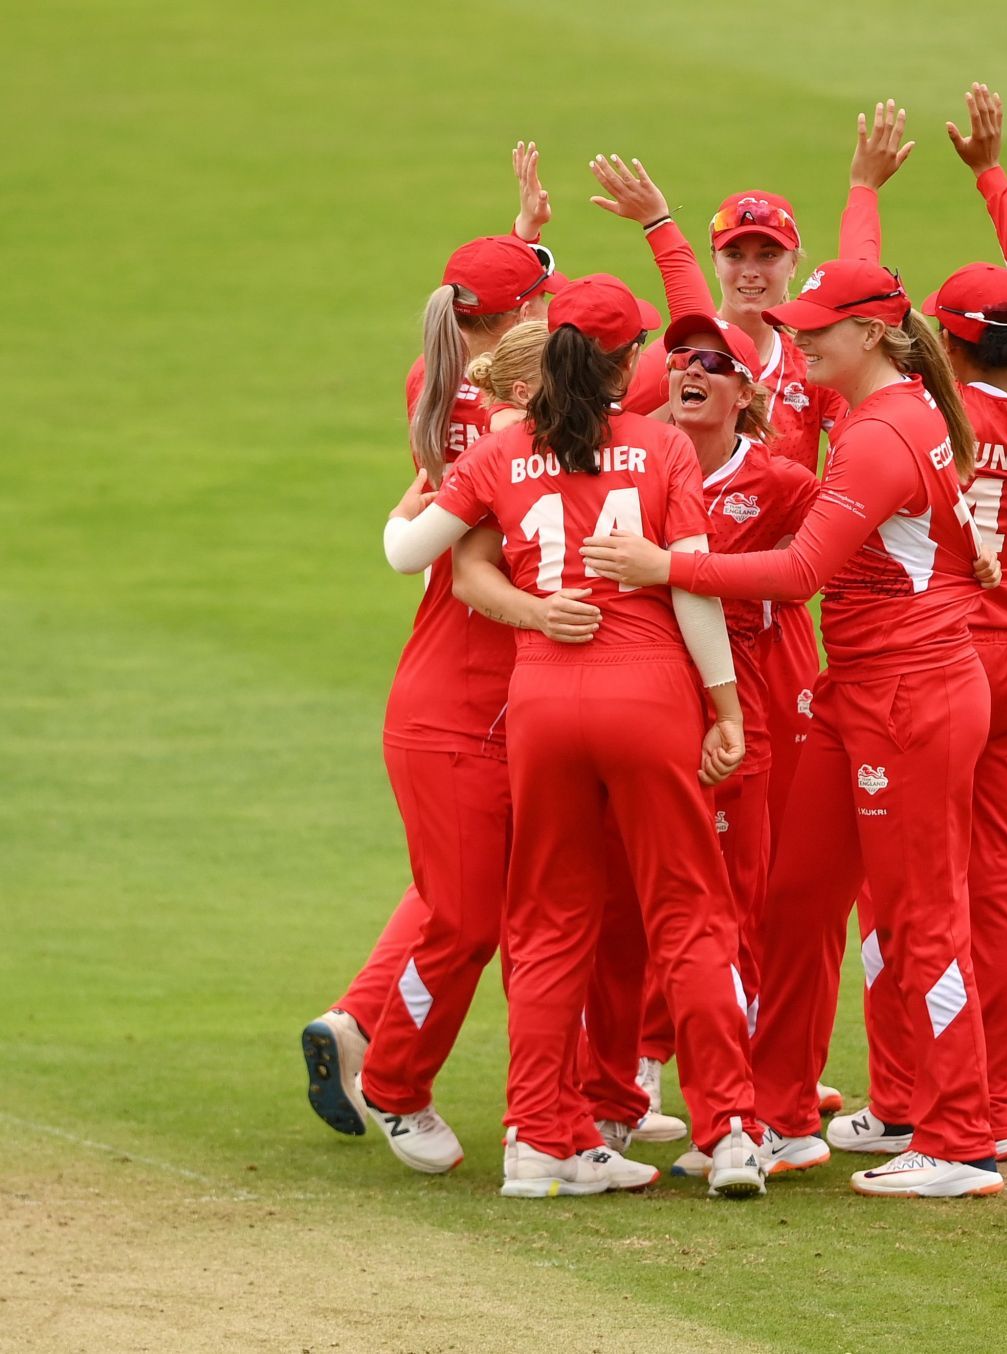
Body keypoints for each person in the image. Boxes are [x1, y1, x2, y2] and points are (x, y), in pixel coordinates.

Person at [586, 258, 1005, 1199]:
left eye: (818, 326)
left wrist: (665, 568)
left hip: (913, 694)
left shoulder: (880, 432)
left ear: (874, 335)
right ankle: (774, 1117)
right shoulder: (886, 421)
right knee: (798, 900)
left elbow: (800, 573)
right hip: (862, 690)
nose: (800, 337)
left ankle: (960, 1136)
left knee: (922, 917)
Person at [382, 274, 767, 1201]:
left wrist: (439, 481)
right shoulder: (663, 445)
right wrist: (726, 708)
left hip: (542, 703)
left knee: (546, 925)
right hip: (646, 695)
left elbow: (407, 553)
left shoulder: (506, 450)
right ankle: (729, 1135)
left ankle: (537, 1142)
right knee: (688, 913)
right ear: (628, 361)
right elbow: (690, 587)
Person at [585, 114, 914, 1115]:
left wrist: (865, 190)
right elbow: (668, 349)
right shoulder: (694, 366)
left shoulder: (814, 365)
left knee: (768, 879)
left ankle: (765, 1073)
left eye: (770, 254)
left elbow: (866, 298)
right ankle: (657, 1056)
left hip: (774, 642)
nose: (755, 270)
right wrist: (664, 233)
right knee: (673, 863)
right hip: (680, 653)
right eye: (740, 253)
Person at [823, 84, 1007, 1163]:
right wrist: (995, 175)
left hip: (937, 655)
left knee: (912, 893)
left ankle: (913, 1097)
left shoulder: (929, 416)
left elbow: (861, 322)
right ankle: (997, 1098)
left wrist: (865, 192)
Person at [299, 145, 562, 1167]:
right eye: (543, 298)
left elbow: (493, 336)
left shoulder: (437, 377)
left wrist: (523, 243)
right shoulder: (524, 433)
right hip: (472, 690)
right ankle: (395, 1078)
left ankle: (359, 1021)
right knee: (470, 910)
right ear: (514, 325)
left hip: (466, 679)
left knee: (463, 892)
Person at [574, 314, 817, 1181]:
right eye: (680, 357)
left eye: (715, 362)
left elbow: (837, 552)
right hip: (638, 707)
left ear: (746, 393)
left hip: (732, 712)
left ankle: (747, 1113)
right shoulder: (631, 460)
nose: (690, 370)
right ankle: (619, 1094)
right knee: (619, 915)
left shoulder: (782, 482)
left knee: (726, 919)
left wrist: (971, 540)